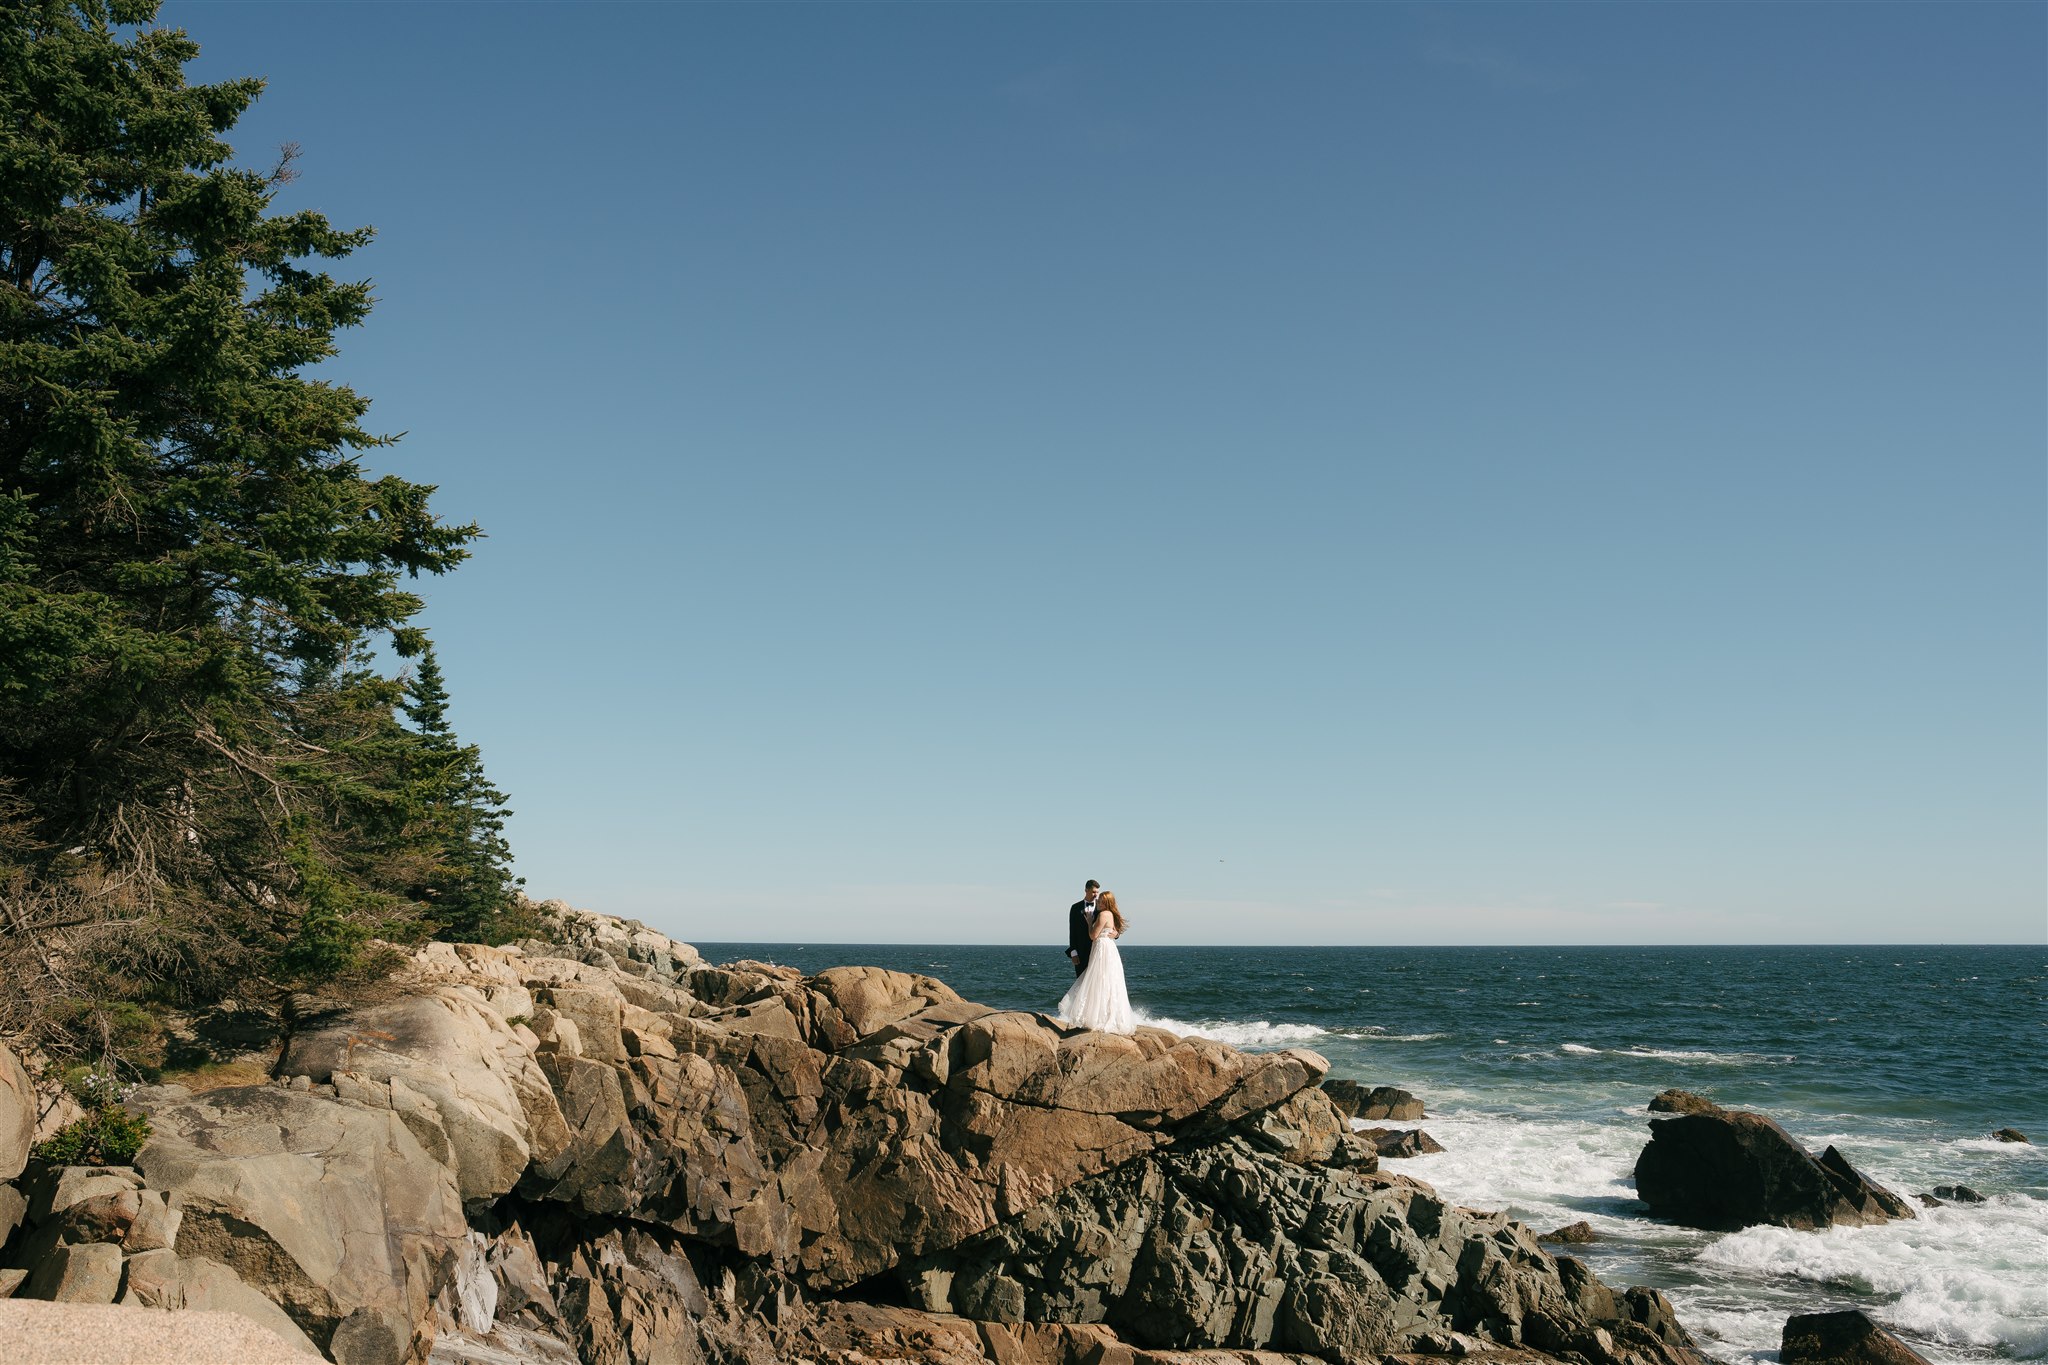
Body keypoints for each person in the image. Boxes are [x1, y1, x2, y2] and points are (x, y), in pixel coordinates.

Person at [1058, 890, 1135, 1034]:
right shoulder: (1078, 908)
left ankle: (1094, 1018)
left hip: (1101, 949)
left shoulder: (1103, 913)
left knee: (1098, 981)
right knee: (1105, 981)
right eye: (1096, 896)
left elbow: (1093, 935)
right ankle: (1100, 1016)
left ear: (1106, 903)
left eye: (1100, 899)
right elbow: (1073, 932)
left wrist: (1089, 922)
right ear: (1087, 890)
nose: (1097, 900)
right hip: (1103, 950)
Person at [1067, 880, 1100, 977]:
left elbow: (1112, 922)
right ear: (1086, 890)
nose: (1096, 895)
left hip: (1098, 950)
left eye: (1097, 892)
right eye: (1093, 892)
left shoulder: (1102, 907)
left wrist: (1116, 934)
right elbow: (1072, 930)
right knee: (1080, 983)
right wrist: (1073, 952)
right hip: (1080, 952)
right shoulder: (1075, 907)